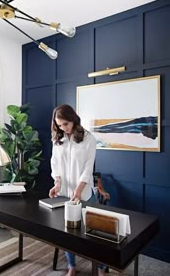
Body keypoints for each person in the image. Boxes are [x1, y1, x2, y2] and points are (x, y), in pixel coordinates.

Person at [49, 104, 107, 276]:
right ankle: (72, 266)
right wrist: (57, 183)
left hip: (85, 194)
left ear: (73, 119)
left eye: (65, 124)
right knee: (68, 234)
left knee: (94, 235)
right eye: (59, 125)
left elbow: (88, 168)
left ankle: (102, 267)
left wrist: (79, 190)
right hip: (65, 194)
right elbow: (55, 163)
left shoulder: (88, 138)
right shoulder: (58, 138)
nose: (63, 128)